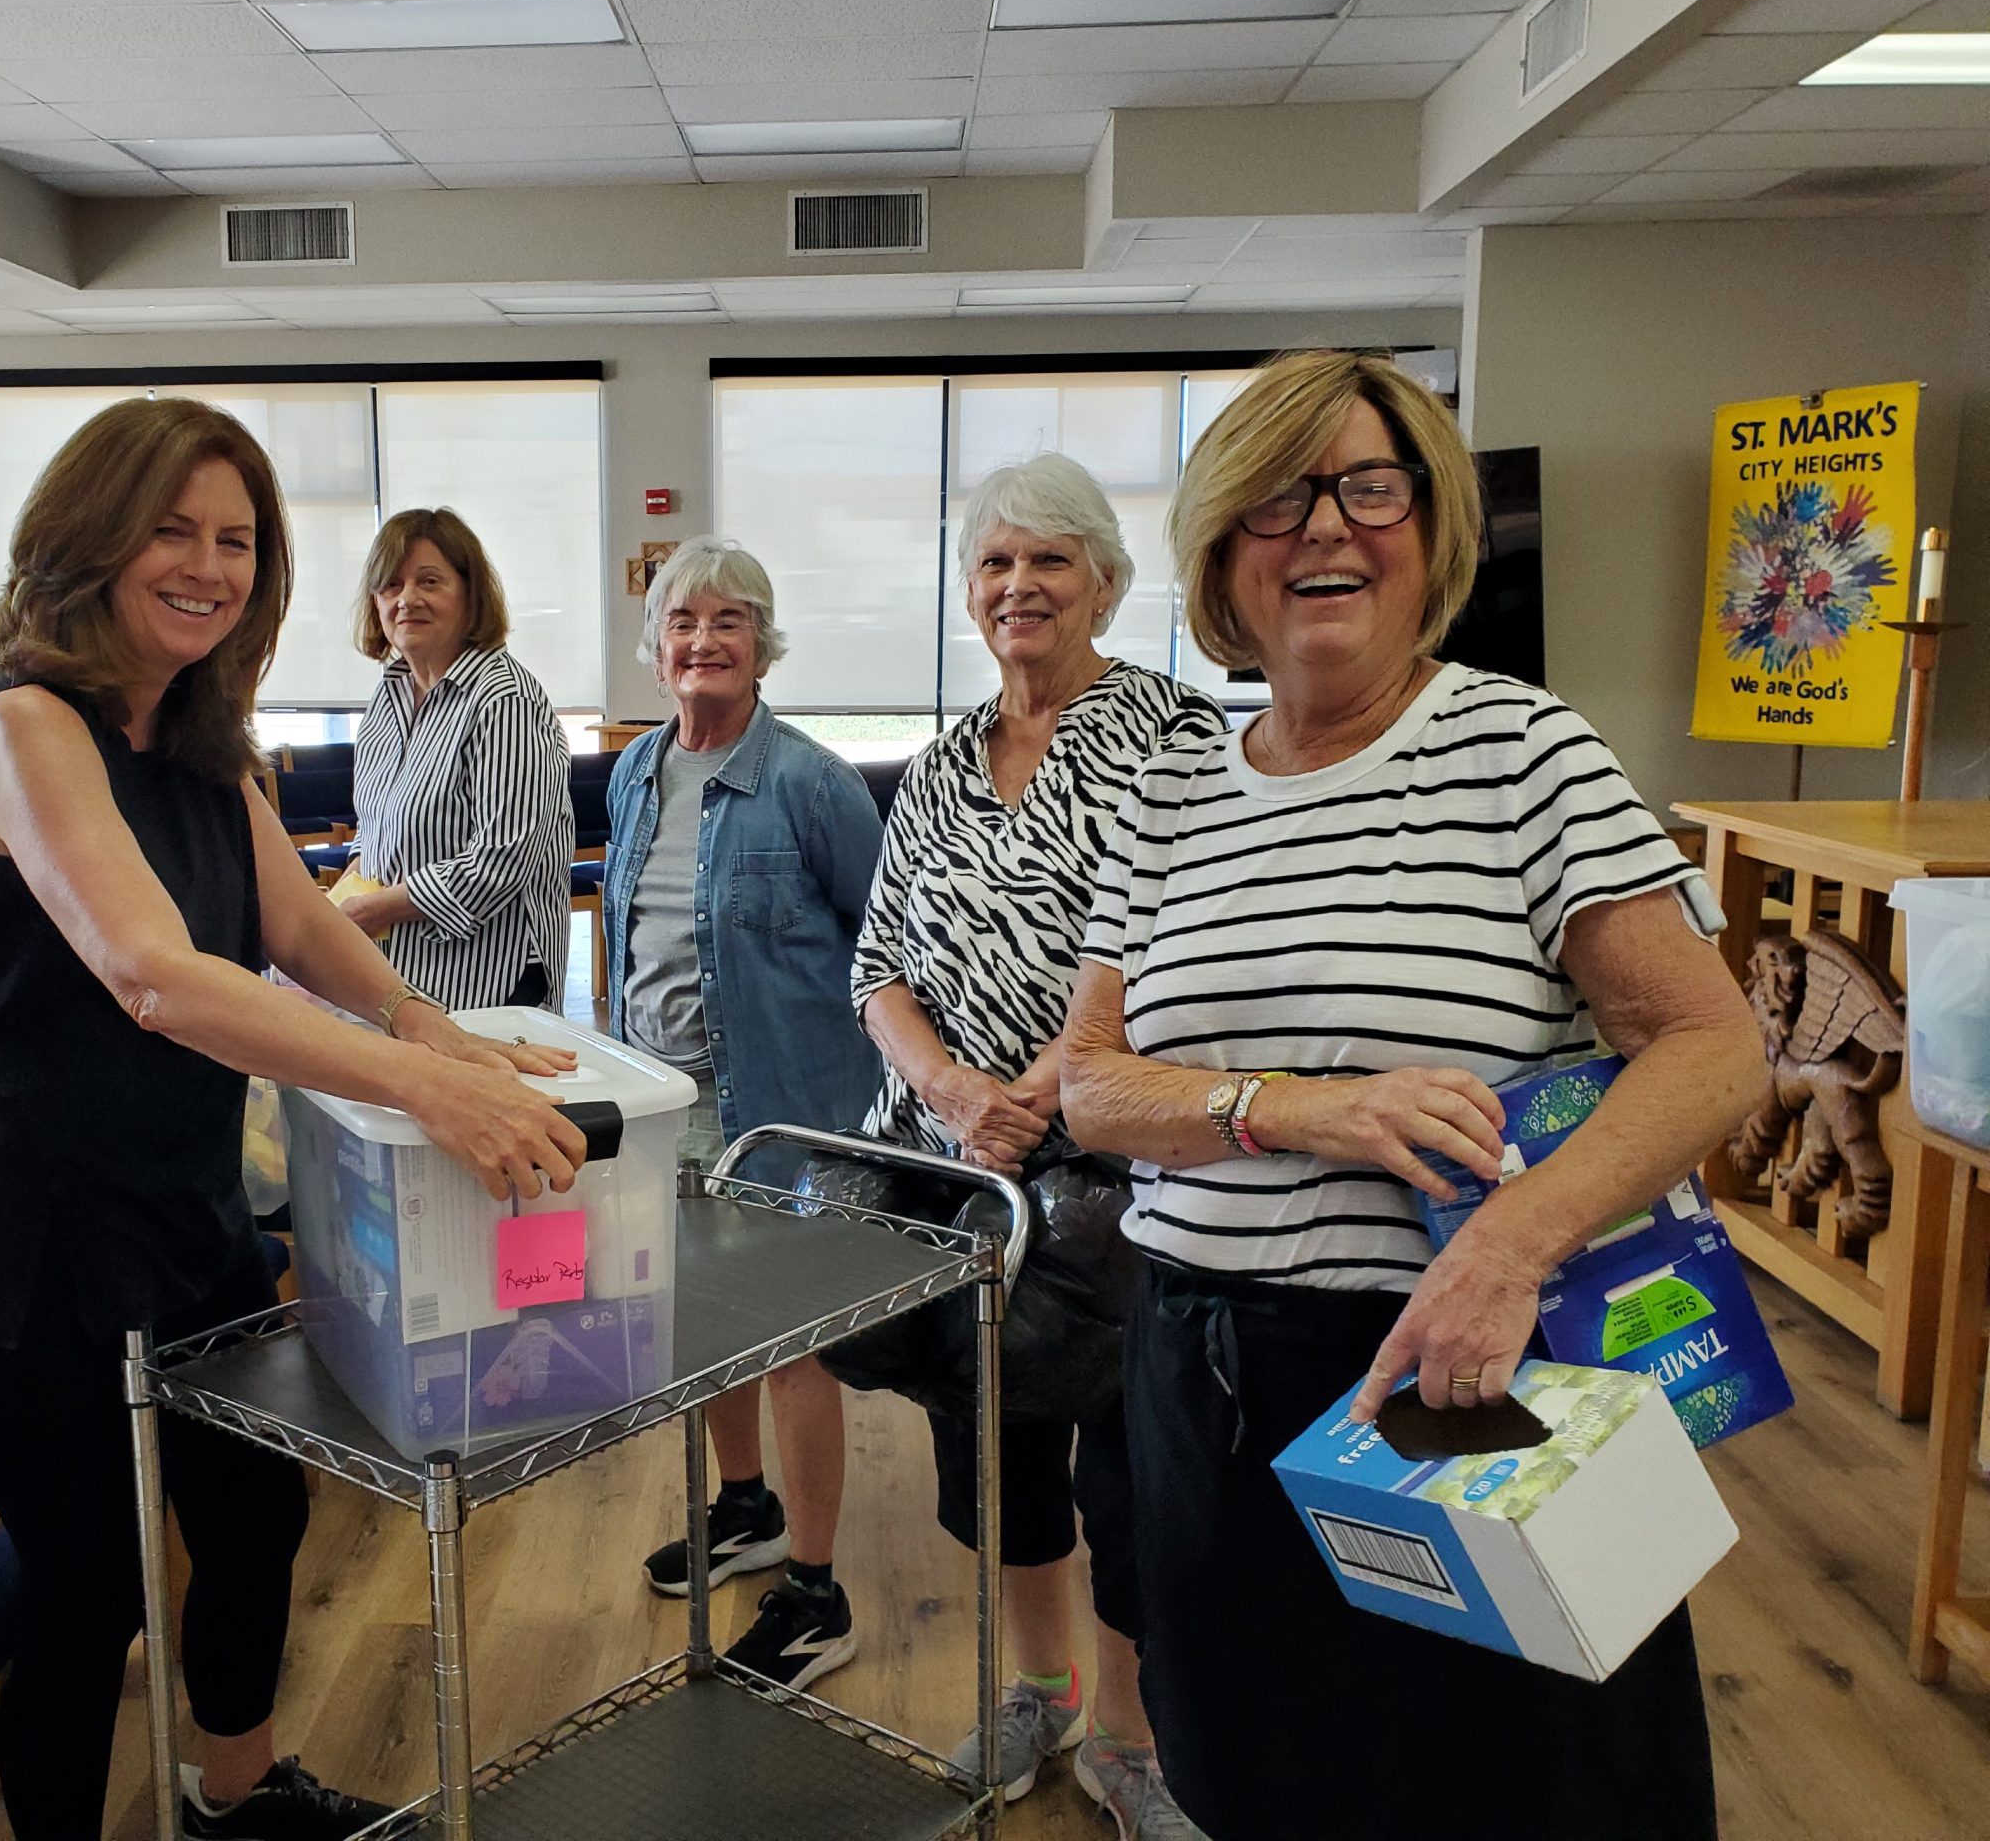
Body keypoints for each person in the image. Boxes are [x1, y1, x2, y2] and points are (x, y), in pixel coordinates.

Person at [0, 400, 588, 1841]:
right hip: (12, 1249)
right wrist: (417, 1084)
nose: (207, 564)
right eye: (172, 529)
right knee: (86, 1580)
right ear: (88, 537)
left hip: (172, 1210)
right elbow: (153, 974)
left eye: (237, 539)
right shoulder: (24, 729)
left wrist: (433, 1024)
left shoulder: (198, 737)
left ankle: (232, 1797)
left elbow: (297, 924)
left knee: (253, 1514)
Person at [1061, 350, 1764, 1841]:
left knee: (1516, 1789)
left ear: (1429, 525)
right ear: (1218, 555)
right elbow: (1093, 1088)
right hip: (1196, 1373)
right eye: (1275, 497)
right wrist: (1299, 1106)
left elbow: (1711, 1046)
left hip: (1458, 1371)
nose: (1323, 527)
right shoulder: (1167, 791)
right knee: (1250, 1768)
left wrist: (1508, 1251)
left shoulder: (1522, 750)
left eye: (1366, 485)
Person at [845, 453, 1226, 1826]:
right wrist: (954, 1091)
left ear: (1106, 586)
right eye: (997, 565)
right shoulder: (943, 760)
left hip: (1123, 1167)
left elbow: (1180, 948)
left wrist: (1046, 1091)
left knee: (1127, 1463)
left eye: (1049, 562)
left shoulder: (1172, 736)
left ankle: (1133, 1735)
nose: (1020, 587)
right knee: (989, 1443)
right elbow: (876, 959)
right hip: (962, 1171)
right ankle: (1041, 1692)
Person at [604, 537, 885, 1689]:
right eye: (683, 622)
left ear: (761, 647)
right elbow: (625, 932)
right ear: (657, 644)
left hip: (778, 1110)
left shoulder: (810, 782)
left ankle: (815, 1592)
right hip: (660, 1104)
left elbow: (888, 944)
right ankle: (746, 1506)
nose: (703, 640)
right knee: (701, 1322)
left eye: (729, 621)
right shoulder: (632, 772)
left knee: (791, 1349)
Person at [342, 506, 573, 1011]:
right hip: (398, 975)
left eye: (429, 581)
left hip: (489, 980)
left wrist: (377, 908)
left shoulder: (505, 699)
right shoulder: (389, 695)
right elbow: (375, 830)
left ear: (471, 595)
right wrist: (342, 902)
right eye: (391, 586)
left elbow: (503, 857)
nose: (407, 600)